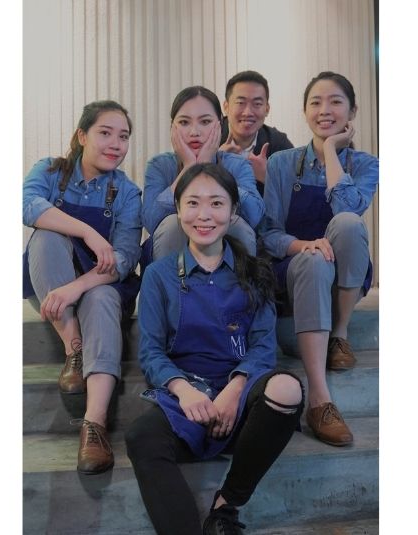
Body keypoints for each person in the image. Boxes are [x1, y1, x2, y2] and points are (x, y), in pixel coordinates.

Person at [126, 163, 304, 535]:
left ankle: (225, 509)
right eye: (193, 203)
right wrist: (184, 390)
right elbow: (151, 353)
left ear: (233, 211)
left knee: (287, 388)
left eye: (216, 203)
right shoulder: (158, 275)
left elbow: (263, 347)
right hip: (186, 397)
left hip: (241, 396)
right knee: (142, 436)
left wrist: (234, 390)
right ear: (178, 210)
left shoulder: (256, 273)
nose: (204, 215)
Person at [22, 100, 142, 474]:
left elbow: (124, 258)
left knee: (102, 296)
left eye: (123, 137)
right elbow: (26, 205)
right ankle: (74, 347)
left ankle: (94, 425)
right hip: (50, 280)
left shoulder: (127, 192)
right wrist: (87, 231)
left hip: (98, 285)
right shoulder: (50, 170)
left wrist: (77, 287)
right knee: (46, 236)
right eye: (105, 133)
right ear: (82, 135)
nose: (116, 144)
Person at [260, 72, 378, 447]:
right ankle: (319, 399)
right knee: (313, 260)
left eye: (336, 102)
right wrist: (304, 245)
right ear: (304, 111)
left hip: (340, 278)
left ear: (352, 111)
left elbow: (346, 208)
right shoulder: (281, 163)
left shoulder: (366, 165)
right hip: (295, 271)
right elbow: (268, 233)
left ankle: (339, 334)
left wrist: (329, 151)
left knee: (347, 223)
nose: (325, 110)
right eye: (316, 102)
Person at [142, 86, 264, 262]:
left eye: (205, 122)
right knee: (171, 225)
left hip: (228, 265)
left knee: (238, 225)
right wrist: (190, 168)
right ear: (172, 128)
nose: (195, 132)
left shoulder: (237, 164)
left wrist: (210, 171)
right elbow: (151, 221)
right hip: (172, 266)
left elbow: (254, 217)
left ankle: (240, 281)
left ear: (220, 125)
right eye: (184, 122)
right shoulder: (160, 165)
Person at [219, 70, 294, 195]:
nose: (248, 112)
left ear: (267, 109)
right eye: (240, 103)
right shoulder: (208, 138)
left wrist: (268, 178)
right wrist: (215, 164)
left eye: (257, 104)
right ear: (226, 107)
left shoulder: (278, 144)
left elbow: (295, 195)